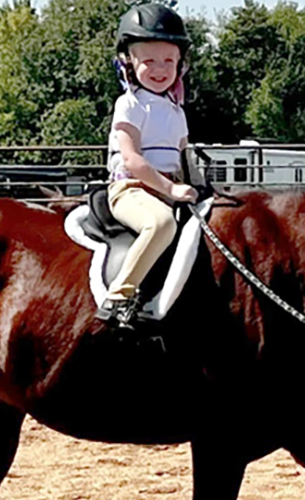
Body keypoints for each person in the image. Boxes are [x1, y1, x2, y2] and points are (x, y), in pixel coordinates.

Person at [95, 3, 198, 328]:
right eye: (149, 60)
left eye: (168, 60)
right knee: (161, 224)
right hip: (131, 189)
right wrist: (169, 188)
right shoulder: (130, 104)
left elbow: (184, 157)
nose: (160, 69)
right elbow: (132, 159)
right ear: (128, 62)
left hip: (170, 189)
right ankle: (119, 296)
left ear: (180, 64)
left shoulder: (176, 110)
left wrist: (202, 184)